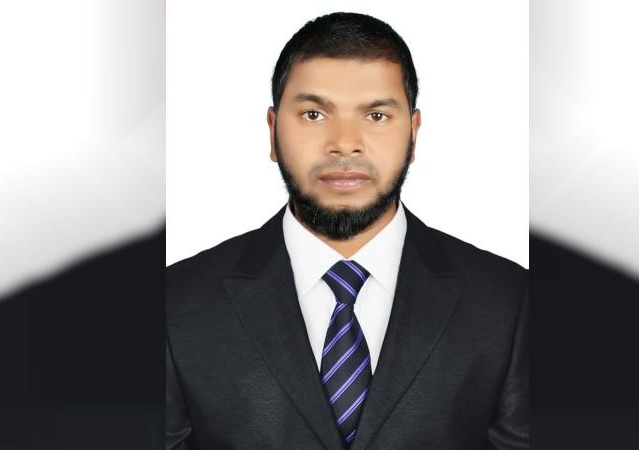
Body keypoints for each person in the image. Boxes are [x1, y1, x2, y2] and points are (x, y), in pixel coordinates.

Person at [166, 12, 528, 450]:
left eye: (376, 115)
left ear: (413, 133)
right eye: (314, 114)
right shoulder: (174, 304)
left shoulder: (510, 301)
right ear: (273, 130)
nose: (344, 142)